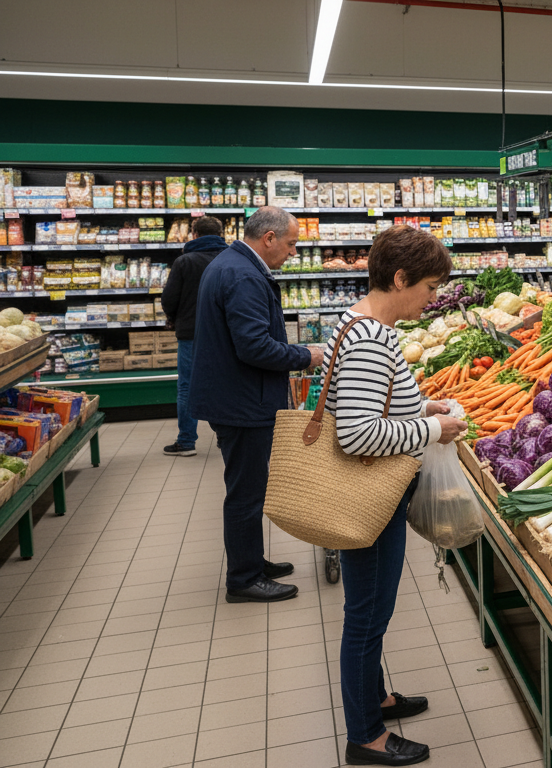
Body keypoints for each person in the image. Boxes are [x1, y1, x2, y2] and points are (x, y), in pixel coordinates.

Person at [324, 225, 466, 767]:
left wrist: (422, 408)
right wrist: (432, 432)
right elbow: (358, 433)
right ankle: (365, 736)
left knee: (374, 609)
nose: (432, 299)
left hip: (380, 489)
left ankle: (375, 695)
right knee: (366, 615)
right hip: (369, 493)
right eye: (429, 287)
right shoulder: (369, 338)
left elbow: (378, 405)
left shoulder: (364, 325)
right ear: (400, 277)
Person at [190, 207, 323, 604]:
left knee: (250, 487)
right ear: (268, 238)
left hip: (237, 396)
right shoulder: (243, 275)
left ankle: (252, 561)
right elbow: (254, 347)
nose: (294, 252)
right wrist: (306, 355)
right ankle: (244, 578)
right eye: (291, 243)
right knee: (245, 493)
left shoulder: (233, 264)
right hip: (241, 402)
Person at [161, 215, 227, 458]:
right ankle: (225, 437)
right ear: (221, 234)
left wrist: (177, 317)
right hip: (224, 334)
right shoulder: (230, 259)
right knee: (224, 385)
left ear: (194, 235)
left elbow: (169, 300)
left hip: (191, 333)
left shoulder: (184, 261)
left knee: (188, 387)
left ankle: (187, 441)